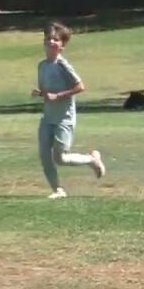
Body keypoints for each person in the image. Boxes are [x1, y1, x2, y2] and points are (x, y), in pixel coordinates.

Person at [33, 22, 105, 199]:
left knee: (60, 158)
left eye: (55, 40)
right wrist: (41, 93)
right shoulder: (42, 66)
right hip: (48, 117)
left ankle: (91, 160)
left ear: (62, 45)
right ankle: (58, 190)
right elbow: (47, 91)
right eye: (48, 38)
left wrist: (57, 96)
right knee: (44, 154)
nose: (51, 42)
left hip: (64, 119)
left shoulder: (63, 65)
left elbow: (80, 87)